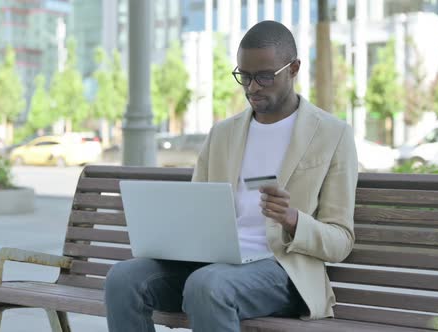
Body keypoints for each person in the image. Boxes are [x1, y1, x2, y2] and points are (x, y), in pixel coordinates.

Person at [105, 20, 358, 332]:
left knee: (208, 285)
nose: (252, 87)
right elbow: (195, 211)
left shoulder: (332, 134)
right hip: (213, 266)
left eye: (265, 77)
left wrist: (293, 219)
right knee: (123, 278)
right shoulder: (222, 134)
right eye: (245, 76)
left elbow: (341, 241)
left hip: (283, 271)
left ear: (293, 68)